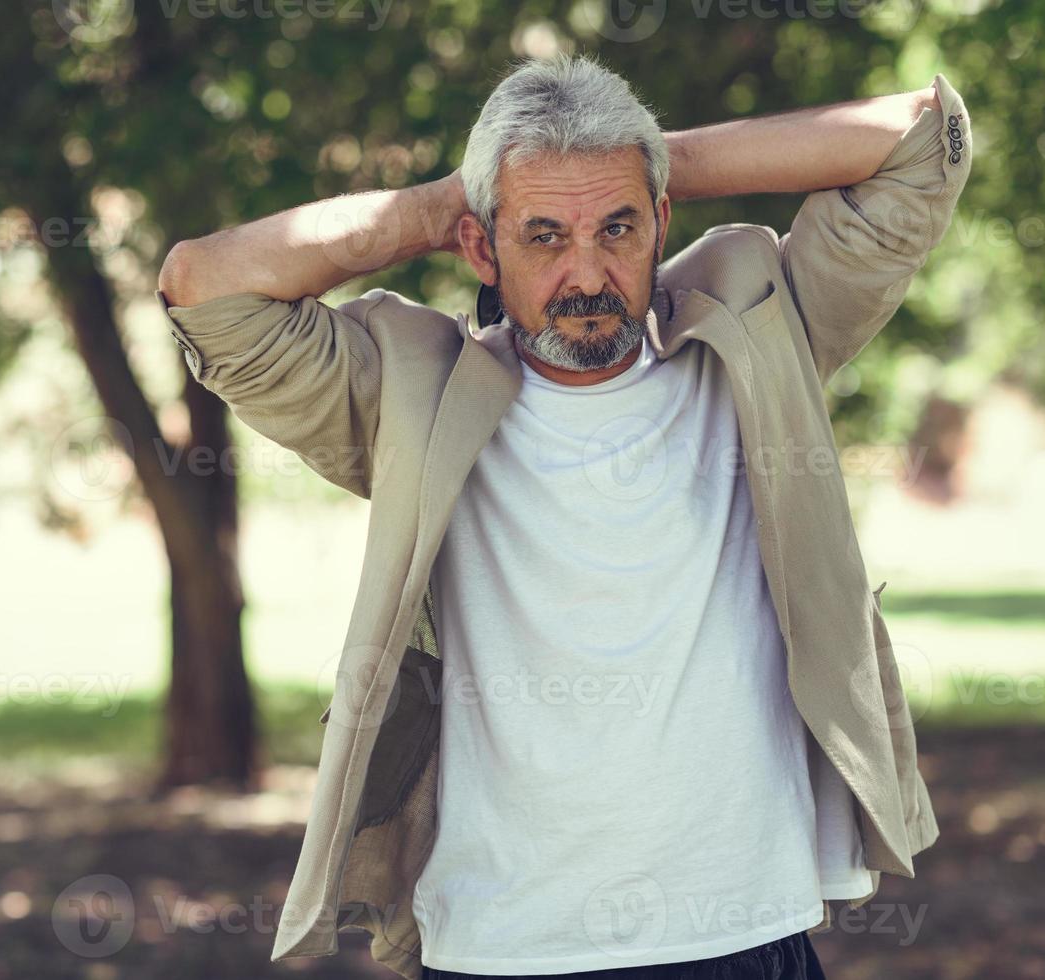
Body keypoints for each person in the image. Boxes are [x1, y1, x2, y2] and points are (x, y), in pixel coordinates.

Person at [158, 51, 971, 980]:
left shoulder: (757, 327)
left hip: (738, 926)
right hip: (504, 943)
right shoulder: (412, 390)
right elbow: (206, 286)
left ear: (661, 224)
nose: (587, 274)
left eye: (618, 228)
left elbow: (920, 139)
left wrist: (635, 161)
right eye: (541, 235)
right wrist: (444, 204)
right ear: (479, 246)